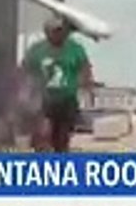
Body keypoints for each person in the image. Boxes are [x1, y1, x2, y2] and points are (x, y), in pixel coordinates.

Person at [20, 16, 94, 153]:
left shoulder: (75, 49)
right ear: (47, 32)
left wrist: (86, 85)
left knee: (62, 139)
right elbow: (25, 71)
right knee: (44, 135)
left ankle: (60, 163)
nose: (58, 34)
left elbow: (85, 68)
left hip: (67, 100)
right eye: (54, 31)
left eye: (61, 30)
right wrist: (25, 93)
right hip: (44, 101)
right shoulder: (37, 50)